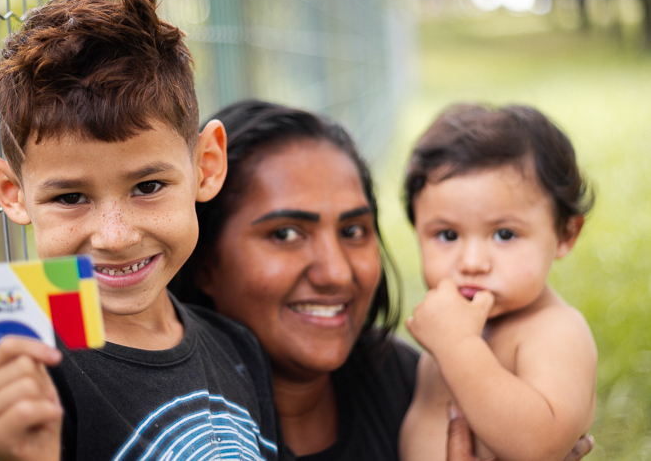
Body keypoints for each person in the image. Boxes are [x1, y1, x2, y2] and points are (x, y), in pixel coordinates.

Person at [0, 0, 280, 461]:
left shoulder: (237, 350)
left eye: (148, 187)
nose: (115, 236)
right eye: (70, 197)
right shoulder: (23, 375)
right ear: (11, 192)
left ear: (206, 165)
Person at [174, 99, 596, 461]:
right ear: (204, 257)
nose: (336, 272)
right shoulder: (168, 424)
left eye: (353, 230)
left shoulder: (399, 375)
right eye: (286, 234)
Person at [399, 104, 597, 461]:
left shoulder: (554, 331)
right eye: (447, 235)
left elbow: (543, 445)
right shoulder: (450, 328)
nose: (472, 263)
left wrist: (458, 346)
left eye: (505, 234)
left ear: (566, 234)